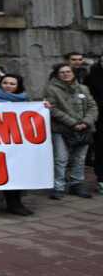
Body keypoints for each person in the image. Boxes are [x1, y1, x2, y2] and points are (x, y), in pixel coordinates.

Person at [0, 73, 44, 215]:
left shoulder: (23, 100)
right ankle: (12, 203)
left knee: (19, 173)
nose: (8, 86)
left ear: (18, 86)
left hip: (19, 144)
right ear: (0, 84)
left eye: (12, 84)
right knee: (8, 173)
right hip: (0, 144)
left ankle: (18, 202)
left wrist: (45, 107)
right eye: (5, 83)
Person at [45, 63, 96, 200]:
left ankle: (76, 185)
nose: (66, 74)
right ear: (57, 74)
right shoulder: (51, 89)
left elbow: (92, 107)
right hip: (61, 130)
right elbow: (53, 109)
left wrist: (86, 122)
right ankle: (58, 187)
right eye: (62, 72)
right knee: (61, 159)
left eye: (68, 71)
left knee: (79, 159)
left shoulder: (83, 88)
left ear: (73, 73)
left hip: (84, 128)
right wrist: (73, 123)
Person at [84, 53, 103, 193]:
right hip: (100, 120)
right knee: (101, 151)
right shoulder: (91, 78)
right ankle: (101, 179)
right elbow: (89, 101)